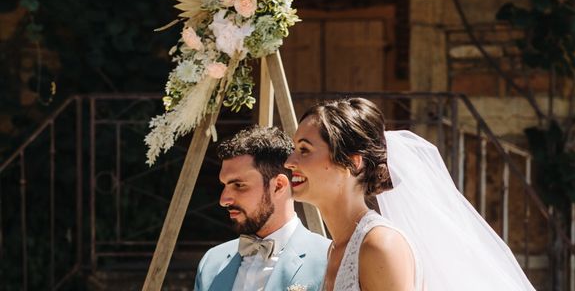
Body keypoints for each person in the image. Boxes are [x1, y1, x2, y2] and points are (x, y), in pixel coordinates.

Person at [285, 97, 537, 291]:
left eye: (304, 150)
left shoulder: (380, 246)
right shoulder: (336, 248)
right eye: (294, 148)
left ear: (352, 162)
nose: (289, 161)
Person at [194, 125, 330, 291]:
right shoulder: (211, 263)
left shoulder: (329, 261)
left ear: (278, 186)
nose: (224, 200)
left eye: (239, 185)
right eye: (224, 185)